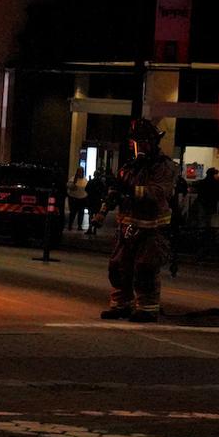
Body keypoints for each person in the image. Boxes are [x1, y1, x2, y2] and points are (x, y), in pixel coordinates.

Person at [90, 119, 179, 322]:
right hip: (127, 228)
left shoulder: (164, 167)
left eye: (142, 142)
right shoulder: (129, 168)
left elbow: (159, 191)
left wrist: (131, 190)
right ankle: (121, 305)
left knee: (145, 268)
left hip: (152, 229)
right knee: (119, 267)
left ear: (152, 142)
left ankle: (147, 309)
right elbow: (114, 193)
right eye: (135, 142)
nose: (138, 147)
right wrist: (101, 214)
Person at [194, 167, 219, 255]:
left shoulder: (202, 182)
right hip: (211, 204)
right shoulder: (216, 183)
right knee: (209, 220)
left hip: (203, 203)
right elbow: (218, 194)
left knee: (202, 220)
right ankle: (208, 236)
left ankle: (202, 236)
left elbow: (199, 192)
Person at [84, 170, 106, 235]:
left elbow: (86, 189)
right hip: (97, 200)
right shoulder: (101, 183)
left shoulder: (91, 181)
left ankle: (90, 228)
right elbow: (103, 191)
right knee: (96, 215)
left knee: (90, 215)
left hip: (91, 200)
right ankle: (94, 229)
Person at [66, 166, 88, 231]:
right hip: (74, 199)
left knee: (81, 213)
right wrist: (74, 182)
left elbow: (86, 188)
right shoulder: (72, 179)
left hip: (82, 199)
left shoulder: (85, 180)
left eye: (82, 172)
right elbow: (70, 187)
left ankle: (79, 226)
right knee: (73, 213)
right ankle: (70, 225)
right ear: (77, 172)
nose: (81, 173)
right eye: (80, 172)